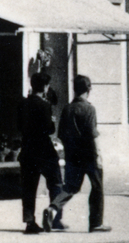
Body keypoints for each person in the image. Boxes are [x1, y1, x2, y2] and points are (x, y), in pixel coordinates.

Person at [46, 75, 108, 233]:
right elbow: (93, 134)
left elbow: (61, 134)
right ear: (88, 89)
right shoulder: (89, 109)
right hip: (89, 155)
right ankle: (96, 224)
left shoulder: (67, 108)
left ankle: (52, 208)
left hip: (72, 155)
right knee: (97, 187)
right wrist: (98, 155)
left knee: (70, 187)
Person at [19, 72, 61, 234]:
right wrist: (52, 122)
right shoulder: (44, 105)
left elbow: (19, 126)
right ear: (44, 87)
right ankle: (55, 217)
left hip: (27, 149)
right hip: (44, 150)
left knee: (28, 188)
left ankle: (30, 222)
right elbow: (49, 129)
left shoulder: (22, 104)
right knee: (55, 182)